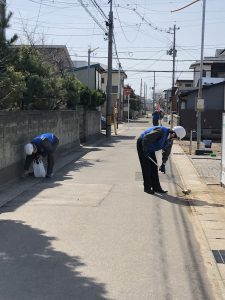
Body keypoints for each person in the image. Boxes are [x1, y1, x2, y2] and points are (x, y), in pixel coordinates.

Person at [137, 125, 186, 195]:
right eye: (176, 138)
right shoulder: (161, 131)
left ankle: (156, 187)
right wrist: (145, 150)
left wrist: (163, 164)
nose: (175, 140)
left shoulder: (169, 141)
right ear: (173, 134)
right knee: (146, 167)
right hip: (143, 143)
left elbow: (166, 153)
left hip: (150, 147)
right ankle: (147, 188)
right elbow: (146, 138)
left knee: (154, 167)